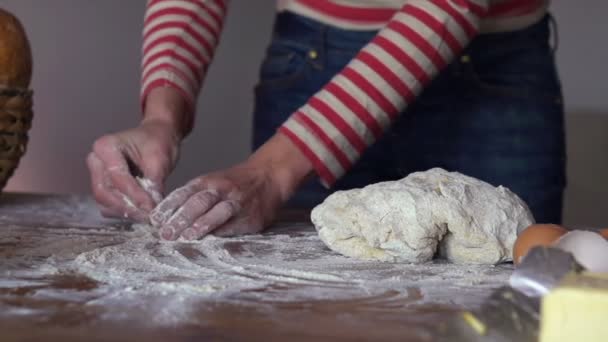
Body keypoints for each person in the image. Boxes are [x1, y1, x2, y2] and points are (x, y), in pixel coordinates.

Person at [87, 0, 565, 241]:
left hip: (490, 74)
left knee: (505, 310)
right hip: (312, 59)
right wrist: (162, 114)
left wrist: (273, 169)